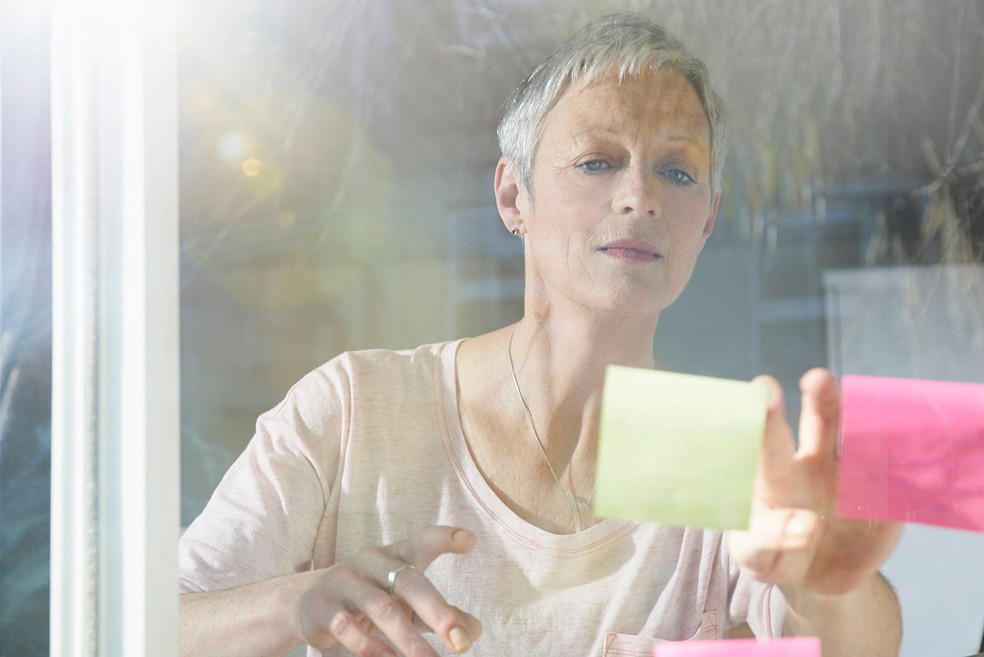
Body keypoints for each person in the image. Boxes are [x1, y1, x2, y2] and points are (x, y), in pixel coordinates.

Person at [179, 12, 903, 657]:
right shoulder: (358, 407)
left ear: (707, 220)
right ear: (512, 195)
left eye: (677, 172)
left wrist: (828, 583)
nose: (639, 196)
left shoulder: (718, 447)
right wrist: (298, 602)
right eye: (598, 161)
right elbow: (156, 624)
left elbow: (855, 645)